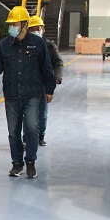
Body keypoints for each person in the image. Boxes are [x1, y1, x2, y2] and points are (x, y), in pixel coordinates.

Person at [0, 6, 56, 179]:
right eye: (10, 24)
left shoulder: (38, 44)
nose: (12, 27)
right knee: (13, 132)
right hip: (12, 95)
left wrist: (49, 89)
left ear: (25, 24)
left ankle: (30, 162)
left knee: (32, 129)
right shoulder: (4, 45)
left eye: (15, 24)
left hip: (32, 94)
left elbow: (46, 68)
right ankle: (17, 164)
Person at [27, 15, 64, 146]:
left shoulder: (49, 46)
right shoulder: (23, 45)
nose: (35, 31)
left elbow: (58, 62)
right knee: (27, 113)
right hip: (27, 84)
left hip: (43, 85)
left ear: (43, 29)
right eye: (32, 29)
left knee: (42, 114)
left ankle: (40, 136)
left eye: (38, 28)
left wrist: (57, 77)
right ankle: (27, 138)